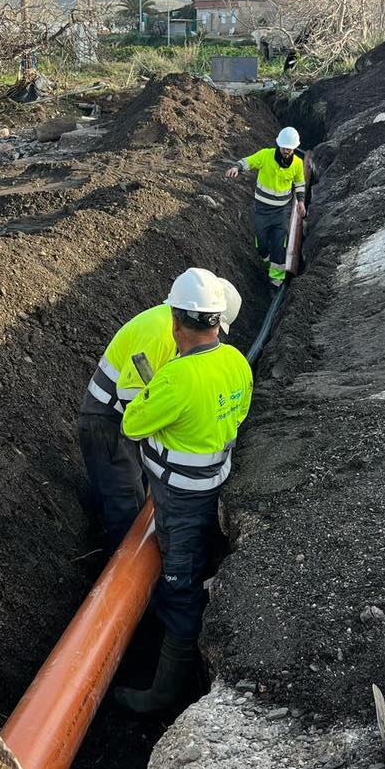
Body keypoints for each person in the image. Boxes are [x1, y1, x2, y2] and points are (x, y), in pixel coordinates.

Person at [115, 269, 253, 713]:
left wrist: (151, 390)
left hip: (179, 503)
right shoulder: (236, 362)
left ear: (176, 322)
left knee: (180, 589)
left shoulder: (175, 379)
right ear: (217, 322)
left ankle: (163, 696)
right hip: (216, 487)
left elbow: (132, 424)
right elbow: (241, 411)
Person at [78, 271, 242, 553]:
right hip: (108, 420)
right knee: (124, 498)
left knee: (136, 488)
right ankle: (121, 567)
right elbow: (131, 395)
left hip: (131, 417)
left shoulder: (178, 330)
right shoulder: (160, 334)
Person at [226, 127, 306, 289]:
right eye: (284, 148)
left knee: (279, 243)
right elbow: (248, 161)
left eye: (289, 149)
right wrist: (236, 167)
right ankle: (266, 261)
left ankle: (276, 279)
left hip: (281, 211)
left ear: (294, 148)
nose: (286, 151)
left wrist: (301, 201)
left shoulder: (297, 163)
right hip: (262, 209)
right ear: (279, 145)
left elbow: (299, 183)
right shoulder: (266, 155)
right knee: (261, 243)